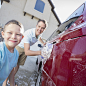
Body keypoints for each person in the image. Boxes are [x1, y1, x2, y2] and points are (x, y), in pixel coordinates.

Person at [0, 20, 24, 86]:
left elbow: (11, 71)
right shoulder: (1, 50)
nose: (13, 37)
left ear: (22, 37)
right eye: (10, 33)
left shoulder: (16, 53)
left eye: (18, 34)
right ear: (3, 34)